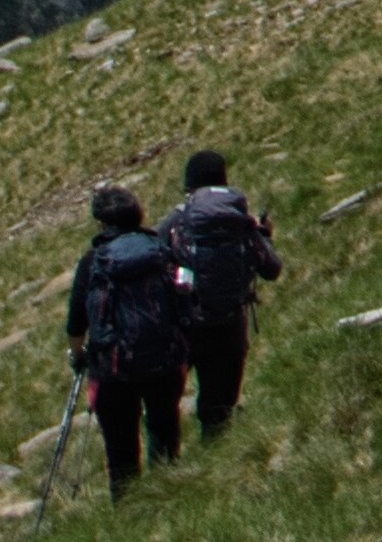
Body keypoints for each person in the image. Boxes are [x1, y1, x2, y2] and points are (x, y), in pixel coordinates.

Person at [67, 182, 190, 498]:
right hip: (165, 360)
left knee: (121, 453)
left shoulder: (94, 261)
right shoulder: (161, 250)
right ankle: (170, 497)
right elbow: (185, 292)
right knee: (164, 434)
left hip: (113, 370)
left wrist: (78, 355)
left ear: (101, 223)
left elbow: (76, 323)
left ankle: (129, 510)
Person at [163, 146, 281, 447]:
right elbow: (271, 269)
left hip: (187, 324)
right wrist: (264, 236)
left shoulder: (177, 221)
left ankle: (166, 467)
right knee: (219, 411)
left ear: (189, 185)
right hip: (231, 323)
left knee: (164, 409)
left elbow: (155, 260)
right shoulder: (240, 220)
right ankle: (215, 463)